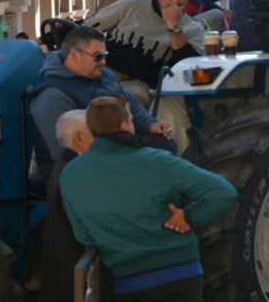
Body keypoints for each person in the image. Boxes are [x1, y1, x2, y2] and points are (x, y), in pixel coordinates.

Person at [60, 96, 237, 302]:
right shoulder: (159, 161)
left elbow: (84, 236)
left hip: (129, 283)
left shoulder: (71, 175)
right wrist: (188, 218)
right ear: (125, 124)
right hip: (181, 273)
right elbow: (223, 192)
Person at [29, 26, 174, 167]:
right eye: (97, 57)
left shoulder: (103, 74)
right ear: (74, 55)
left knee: (164, 144)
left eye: (104, 56)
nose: (103, 62)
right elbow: (66, 152)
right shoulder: (53, 96)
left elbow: (129, 102)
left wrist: (151, 125)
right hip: (85, 164)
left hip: (115, 148)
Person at [83, 0, 204, 90]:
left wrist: (174, 28)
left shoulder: (193, 29)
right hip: (104, 70)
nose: (175, 1)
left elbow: (189, 69)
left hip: (141, 84)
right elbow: (88, 26)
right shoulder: (132, 4)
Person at [38, 110, 95, 302]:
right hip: (71, 273)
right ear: (80, 136)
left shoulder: (64, 167)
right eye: (95, 133)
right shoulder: (76, 173)